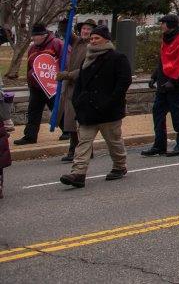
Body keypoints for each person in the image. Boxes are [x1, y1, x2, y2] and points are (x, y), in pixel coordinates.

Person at [59, 25, 131, 189]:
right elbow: (81, 83)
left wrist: (111, 101)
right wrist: (77, 101)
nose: (93, 41)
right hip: (87, 110)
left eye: (96, 38)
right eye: (91, 38)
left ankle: (119, 166)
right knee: (83, 143)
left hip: (109, 111)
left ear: (106, 39)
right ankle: (78, 173)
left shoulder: (118, 58)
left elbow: (124, 82)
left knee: (114, 142)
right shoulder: (87, 59)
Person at [142, 14, 179, 158]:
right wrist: (154, 76)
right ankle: (159, 145)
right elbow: (163, 60)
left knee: (178, 115)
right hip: (164, 83)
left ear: (171, 24)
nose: (161, 25)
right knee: (157, 114)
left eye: (163, 23)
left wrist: (174, 81)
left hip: (176, 84)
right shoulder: (166, 38)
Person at [13, 23, 63, 146]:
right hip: (36, 86)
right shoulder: (32, 48)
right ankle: (30, 136)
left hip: (51, 85)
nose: (34, 39)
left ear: (44, 35)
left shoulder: (57, 44)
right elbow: (30, 66)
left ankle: (67, 131)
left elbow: (64, 61)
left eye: (36, 36)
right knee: (33, 111)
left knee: (57, 108)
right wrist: (30, 82)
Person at [54, 20, 95, 162]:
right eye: (84, 28)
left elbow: (86, 69)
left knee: (80, 122)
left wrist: (67, 75)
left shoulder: (94, 46)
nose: (85, 31)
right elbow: (66, 33)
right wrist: (65, 22)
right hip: (71, 87)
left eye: (88, 29)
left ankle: (81, 150)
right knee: (69, 119)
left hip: (84, 87)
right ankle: (75, 148)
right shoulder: (77, 42)